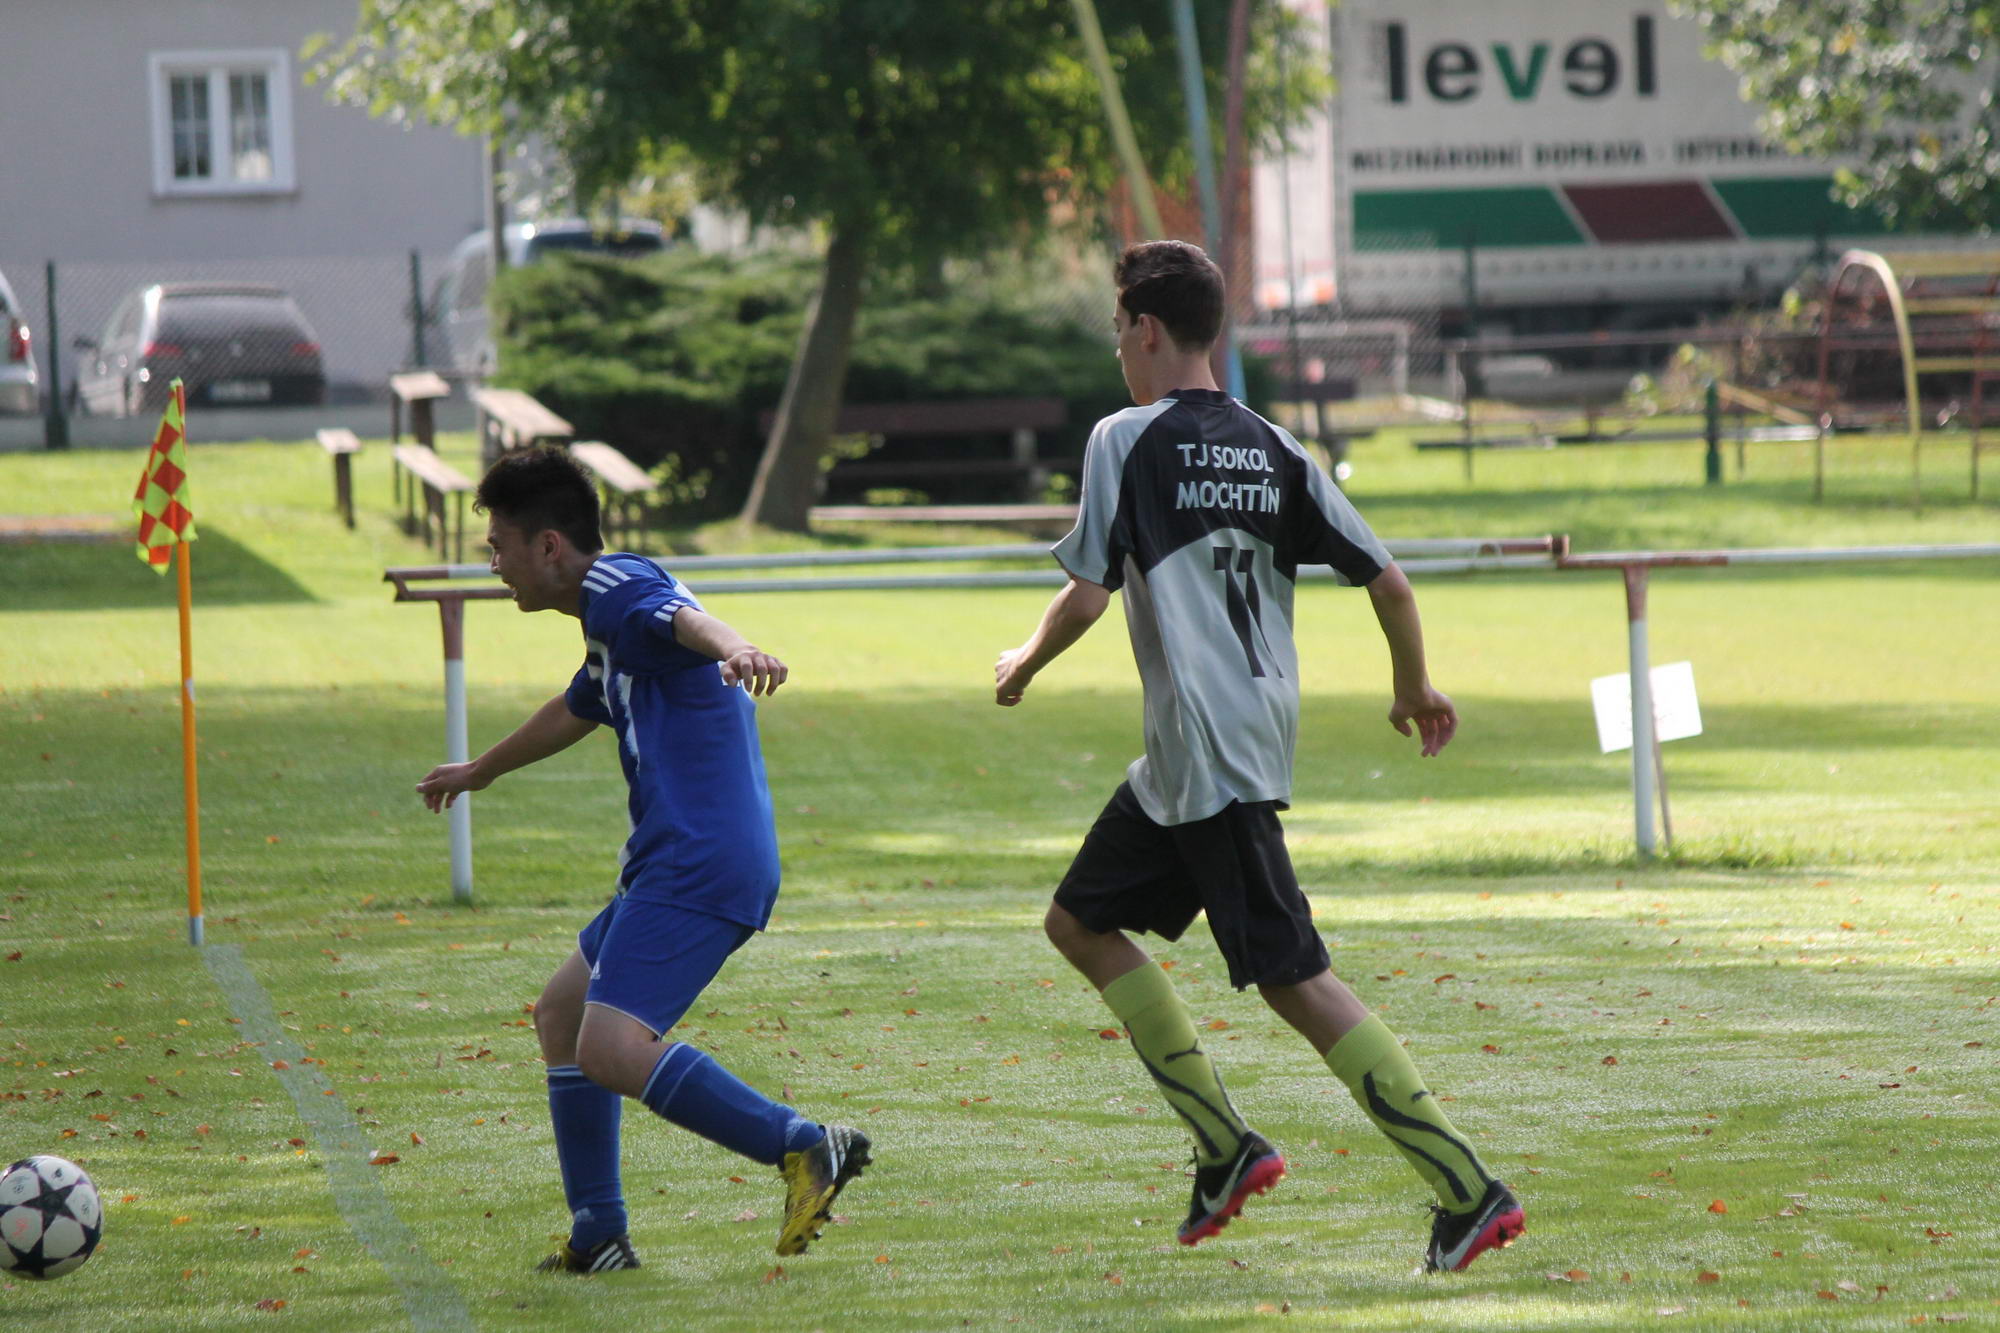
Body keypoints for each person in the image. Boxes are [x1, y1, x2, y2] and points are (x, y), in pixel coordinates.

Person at [993, 240, 1523, 1273]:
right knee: (1078, 921)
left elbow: (1089, 592)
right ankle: (1221, 1147)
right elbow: (1389, 581)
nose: (1117, 348)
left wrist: (1023, 660)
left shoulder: (1124, 437)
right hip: (1212, 747)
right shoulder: (1276, 448)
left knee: (1295, 978)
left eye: (1118, 329)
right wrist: (1412, 686)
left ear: (1147, 330)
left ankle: (1468, 1189)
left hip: (1208, 746)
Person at [416, 447, 869, 1274]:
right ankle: (599, 1232)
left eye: (499, 546)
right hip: (675, 858)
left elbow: (684, 620)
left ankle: (803, 1143)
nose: (494, 565)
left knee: (611, 1048)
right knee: (562, 1014)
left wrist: (740, 647)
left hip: (700, 860)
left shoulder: (619, 586)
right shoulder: (606, 620)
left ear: (549, 545)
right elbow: (575, 706)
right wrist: (481, 769)